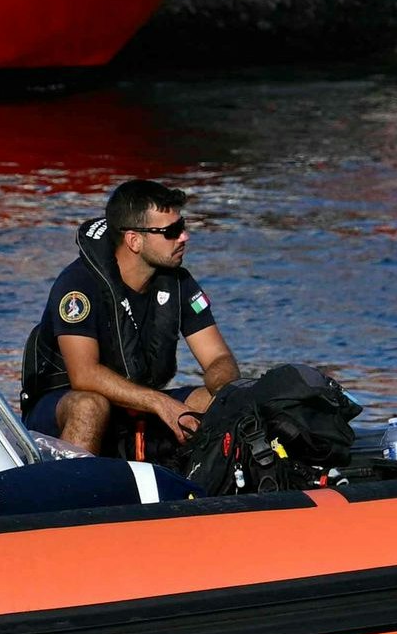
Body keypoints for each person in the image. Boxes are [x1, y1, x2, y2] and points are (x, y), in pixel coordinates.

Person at [16, 179, 240, 477]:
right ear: (134, 240)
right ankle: (68, 501)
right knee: (90, 406)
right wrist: (161, 403)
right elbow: (84, 376)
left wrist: (227, 391)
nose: (184, 236)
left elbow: (216, 359)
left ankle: (212, 500)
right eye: (171, 231)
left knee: (212, 401)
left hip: (136, 406)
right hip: (61, 408)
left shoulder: (179, 283)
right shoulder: (78, 285)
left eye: (182, 225)